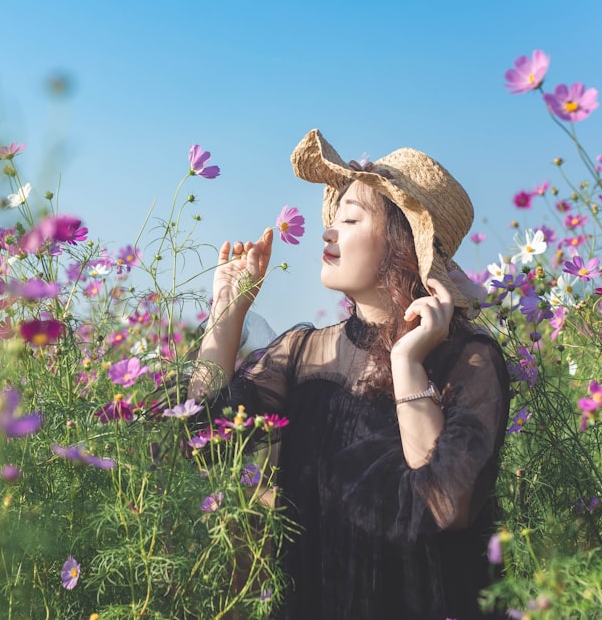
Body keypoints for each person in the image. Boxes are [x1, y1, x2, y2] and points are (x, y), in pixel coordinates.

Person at [188, 129, 511, 619]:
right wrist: (226, 311)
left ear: (405, 242)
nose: (328, 232)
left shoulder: (467, 360)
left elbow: (446, 505)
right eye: (333, 219)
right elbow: (199, 432)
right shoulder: (303, 353)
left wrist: (407, 363)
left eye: (352, 218)